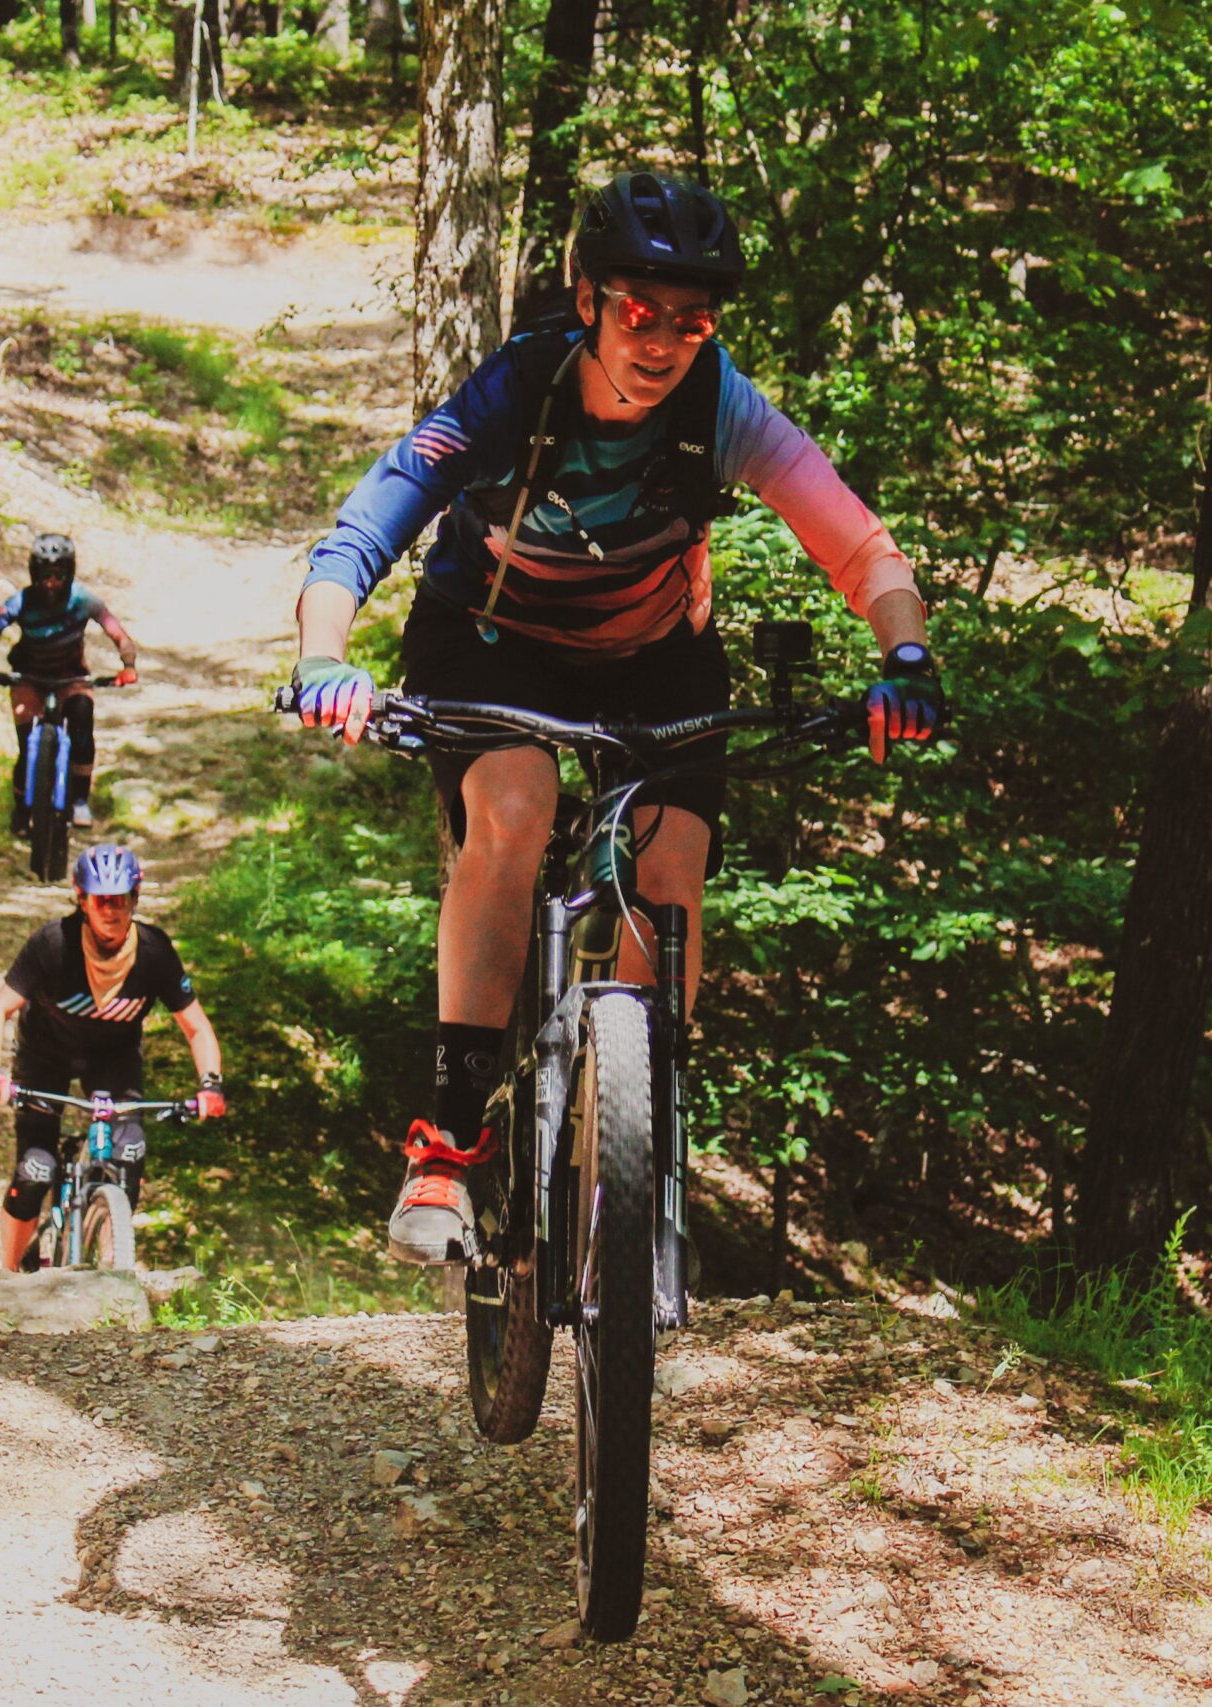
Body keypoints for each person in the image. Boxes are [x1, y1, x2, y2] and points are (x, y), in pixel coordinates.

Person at [285, 170, 945, 1264]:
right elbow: (361, 532)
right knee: (515, 801)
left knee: (672, 859)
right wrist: (323, 658)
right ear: (586, 295)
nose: (665, 339)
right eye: (640, 311)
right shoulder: (515, 392)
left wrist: (906, 656)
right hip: (490, 641)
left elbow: (861, 549)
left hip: (653, 654)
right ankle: (447, 1143)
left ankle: (632, 1133)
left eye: (693, 320)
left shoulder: (722, 405)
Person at [0, 843, 226, 1273]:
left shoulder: (154, 952)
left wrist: (211, 1085)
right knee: (36, 1170)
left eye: (121, 900)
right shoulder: (53, 945)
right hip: (44, 1057)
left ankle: (113, 1257)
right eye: (102, 900)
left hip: (113, 1059)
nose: (112, 911)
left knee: (129, 1154)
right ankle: (10, 1277)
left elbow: (196, 1026)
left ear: (135, 899)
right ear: (82, 898)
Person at [0, 533, 139, 830]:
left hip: (71, 677)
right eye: (45, 575)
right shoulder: (20, 602)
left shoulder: (84, 600)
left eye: (58, 575)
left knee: (82, 724)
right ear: (34, 573)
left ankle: (80, 801)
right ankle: (22, 810)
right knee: (27, 746)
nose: (51, 583)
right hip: (28, 678)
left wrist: (128, 666)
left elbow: (119, 635)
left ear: (69, 572)